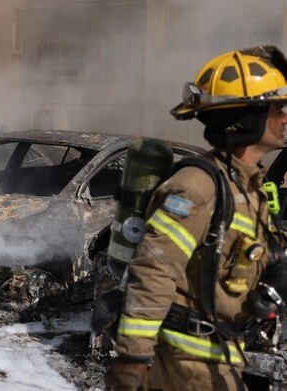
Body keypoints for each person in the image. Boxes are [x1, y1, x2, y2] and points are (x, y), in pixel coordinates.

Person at [106, 46, 287, 390]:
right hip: (182, 365)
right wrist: (131, 360)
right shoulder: (197, 187)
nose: (285, 118)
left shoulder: (252, 187)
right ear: (247, 118)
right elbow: (155, 271)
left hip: (222, 359)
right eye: (277, 109)